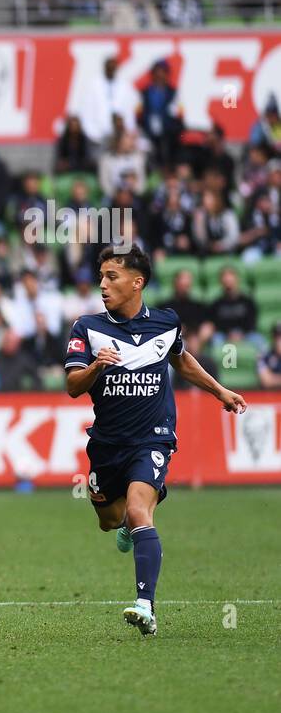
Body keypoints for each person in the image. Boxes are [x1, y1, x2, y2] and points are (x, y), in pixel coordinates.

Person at [65, 245, 247, 636]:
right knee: (109, 520)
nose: (103, 285)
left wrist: (220, 391)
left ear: (137, 282)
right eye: (101, 277)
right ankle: (131, 522)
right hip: (107, 443)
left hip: (153, 438)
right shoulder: (87, 327)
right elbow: (72, 387)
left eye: (111, 277)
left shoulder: (166, 323)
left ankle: (145, 605)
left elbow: (181, 360)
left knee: (138, 511)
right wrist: (96, 365)